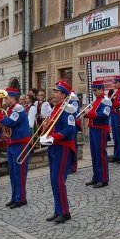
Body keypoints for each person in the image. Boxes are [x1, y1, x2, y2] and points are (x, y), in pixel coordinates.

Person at [38, 80, 78, 223]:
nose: (53, 94)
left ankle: (65, 212)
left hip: (63, 148)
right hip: (54, 147)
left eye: (56, 91)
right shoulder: (56, 108)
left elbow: (70, 129)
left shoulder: (68, 108)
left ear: (63, 94)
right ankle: (58, 210)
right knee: (54, 180)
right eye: (54, 91)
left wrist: (53, 137)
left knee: (59, 180)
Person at [0, 87, 31, 209]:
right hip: (12, 143)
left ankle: (21, 198)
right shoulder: (10, 109)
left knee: (19, 173)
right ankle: (15, 197)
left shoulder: (18, 108)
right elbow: (7, 123)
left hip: (20, 144)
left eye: (6, 98)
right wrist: (1, 123)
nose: (4, 100)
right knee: (12, 173)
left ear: (13, 98)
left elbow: (11, 123)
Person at [85, 78, 112, 188]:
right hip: (93, 128)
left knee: (100, 154)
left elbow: (104, 115)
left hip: (100, 129)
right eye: (93, 90)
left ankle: (103, 178)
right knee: (94, 154)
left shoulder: (106, 101)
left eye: (96, 90)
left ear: (102, 89)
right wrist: (86, 113)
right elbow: (93, 114)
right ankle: (96, 177)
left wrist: (90, 113)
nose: (94, 92)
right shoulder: (96, 101)